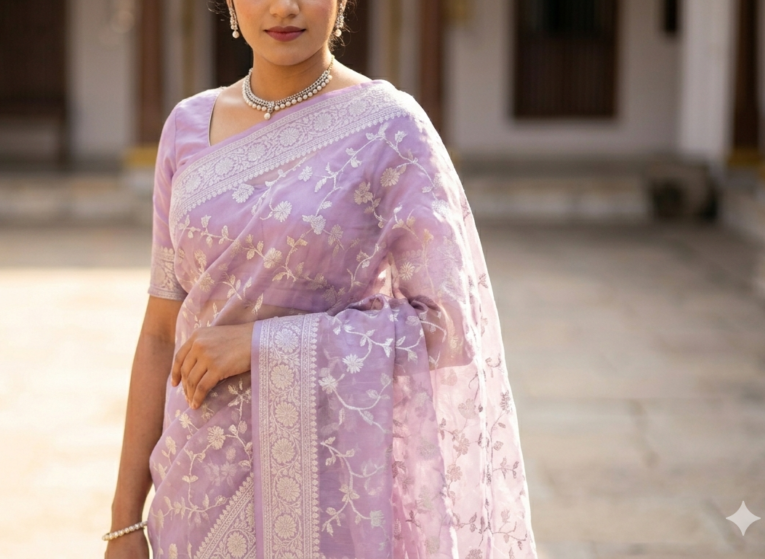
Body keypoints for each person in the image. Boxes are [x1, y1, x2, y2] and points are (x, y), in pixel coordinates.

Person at [105, 1, 537, 557]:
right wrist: (124, 521)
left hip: (330, 490)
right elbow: (162, 330)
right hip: (194, 487)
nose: (285, 7)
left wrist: (263, 345)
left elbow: (446, 326)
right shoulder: (186, 127)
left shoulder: (390, 128)